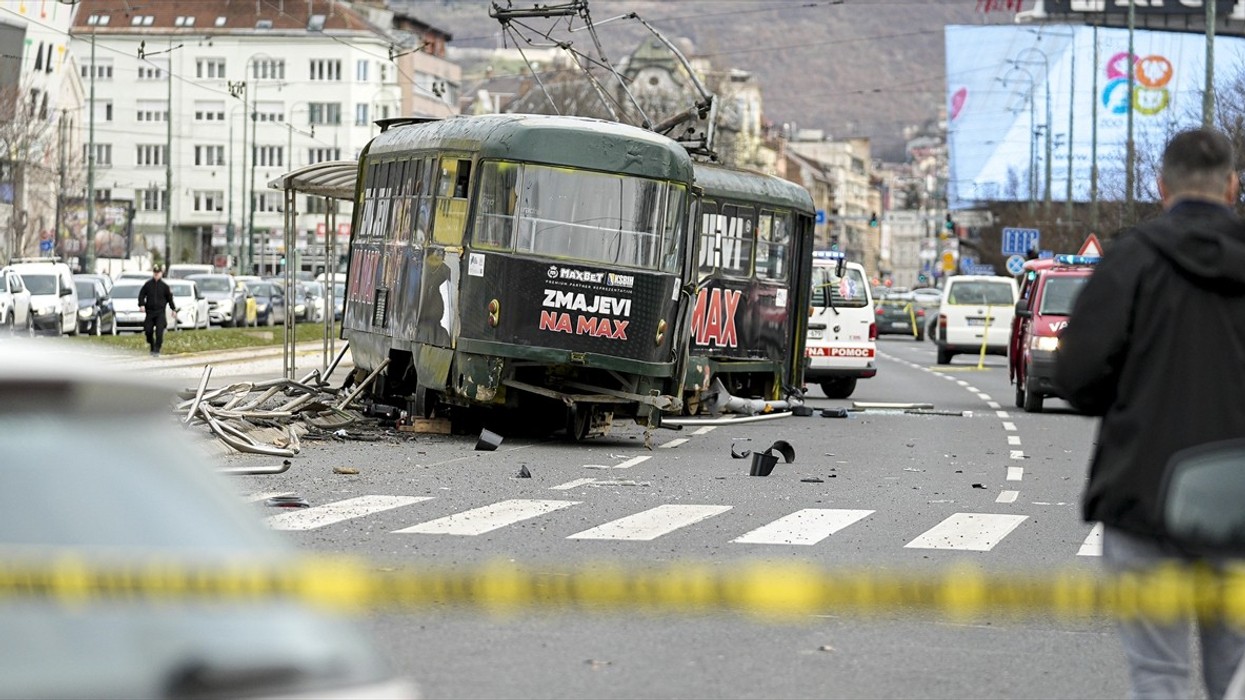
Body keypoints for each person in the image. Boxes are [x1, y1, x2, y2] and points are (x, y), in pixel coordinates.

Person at [1055, 127, 1245, 700]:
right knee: (1235, 672)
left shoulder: (1131, 260)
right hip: (1241, 500)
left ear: (1161, 186)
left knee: (1158, 676)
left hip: (1145, 492)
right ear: (1233, 187)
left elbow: (1077, 379)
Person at [137, 264, 177, 357]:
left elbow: (170, 299)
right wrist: (141, 304)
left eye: (158, 273)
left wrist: (173, 309)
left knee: (159, 332)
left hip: (160, 313)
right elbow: (142, 295)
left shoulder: (164, 286)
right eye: (155, 273)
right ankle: (152, 344)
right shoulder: (148, 285)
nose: (156, 274)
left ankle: (157, 349)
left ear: (161, 274)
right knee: (148, 331)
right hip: (150, 312)